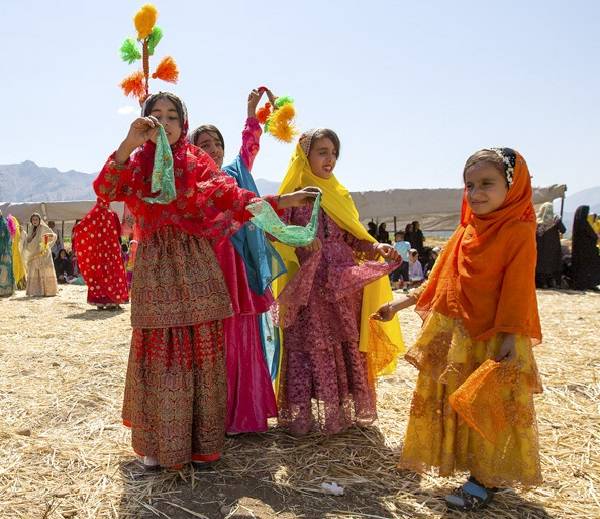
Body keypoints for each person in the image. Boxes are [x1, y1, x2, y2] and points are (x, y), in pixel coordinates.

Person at [92, 91, 316, 470]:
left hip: (196, 263)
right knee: (158, 347)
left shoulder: (196, 162)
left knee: (199, 350)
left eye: (172, 116)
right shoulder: (135, 164)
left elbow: (235, 198)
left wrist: (286, 200)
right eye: (155, 116)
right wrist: (128, 143)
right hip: (155, 266)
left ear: (183, 124)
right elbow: (104, 190)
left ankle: (199, 442)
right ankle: (158, 444)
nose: (164, 123)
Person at [373, 148, 543, 511]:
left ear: (512, 187)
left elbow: (518, 288)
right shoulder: (466, 229)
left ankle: (485, 478)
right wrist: (397, 305)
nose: (476, 193)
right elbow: (438, 281)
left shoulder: (518, 231)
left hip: (495, 336)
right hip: (456, 337)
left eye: (487, 184)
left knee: (488, 406)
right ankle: (473, 470)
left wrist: (513, 337)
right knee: (457, 405)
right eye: (469, 185)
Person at [272, 128, 404, 436]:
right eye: (322, 152)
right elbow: (276, 233)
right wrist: (302, 242)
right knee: (311, 343)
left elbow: (352, 236)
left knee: (344, 341)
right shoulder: (295, 195)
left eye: (333, 153)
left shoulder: (339, 194)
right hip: (309, 286)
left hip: (342, 284)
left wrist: (375, 247)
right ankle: (305, 417)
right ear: (305, 156)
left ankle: (343, 414)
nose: (329, 159)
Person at [189, 88, 281, 435]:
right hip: (207, 269)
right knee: (213, 341)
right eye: (204, 143)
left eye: (216, 143)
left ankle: (245, 416)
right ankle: (214, 418)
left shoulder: (234, 171)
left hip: (239, 268)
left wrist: (250, 114)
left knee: (241, 336)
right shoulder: (191, 181)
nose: (212, 149)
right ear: (193, 150)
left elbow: (250, 146)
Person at [73, 202, 129, 310]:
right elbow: (118, 232)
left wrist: (78, 230)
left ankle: (100, 301)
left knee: (99, 273)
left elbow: (83, 226)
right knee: (113, 273)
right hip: (112, 252)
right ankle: (114, 300)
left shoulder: (95, 215)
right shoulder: (112, 214)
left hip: (99, 252)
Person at [24, 213, 58, 297]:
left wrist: (46, 239)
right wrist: (30, 239)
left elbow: (54, 236)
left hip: (44, 253)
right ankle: (36, 291)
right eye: (33, 220)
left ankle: (48, 291)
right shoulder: (31, 229)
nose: (35, 221)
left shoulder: (44, 227)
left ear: (39, 220)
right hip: (34, 254)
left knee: (45, 271)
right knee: (34, 271)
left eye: (36, 219)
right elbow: (28, 241)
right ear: (31, 221)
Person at [535, 202, 566, 288]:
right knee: (555, 264)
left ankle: (543, 283)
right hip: (554, 247)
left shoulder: (537, 220)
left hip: (541, 247)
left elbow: (535, 234)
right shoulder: (556, 219)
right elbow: (563, 230)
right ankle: (557, 283)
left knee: (542, 265)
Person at [571, 205, 600, 290]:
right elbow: (593, 235)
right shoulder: (584, 223)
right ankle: (589, 283)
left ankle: (582, 284)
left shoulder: (578, 223)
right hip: (587, 252)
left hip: (581, 252)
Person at [0, 211, 14, 297]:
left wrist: (5, 250)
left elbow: (8, 237)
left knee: (4, 269)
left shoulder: (4, 223)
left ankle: (4, 290)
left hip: (4, 250)